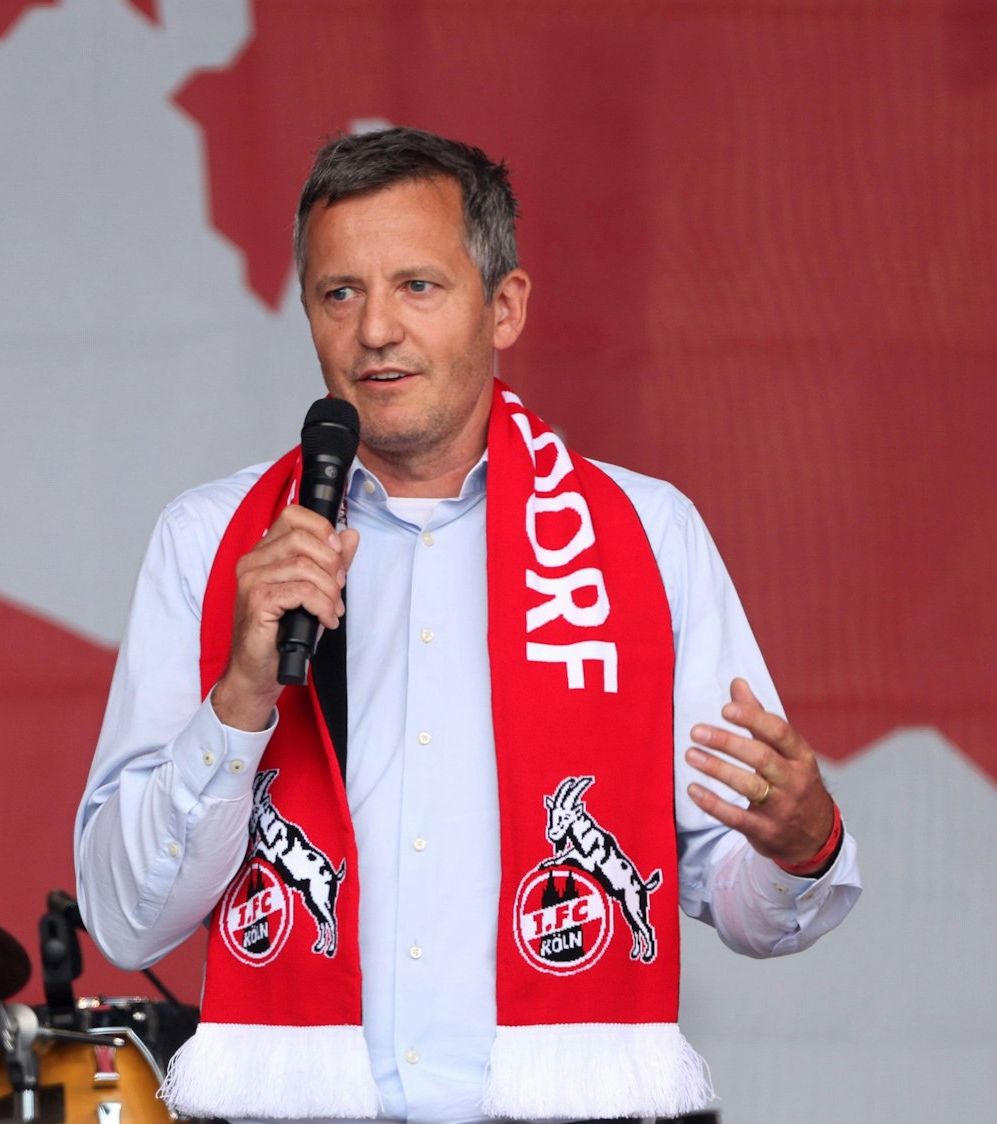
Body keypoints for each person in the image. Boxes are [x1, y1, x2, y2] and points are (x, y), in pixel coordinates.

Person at [74, 128, 861, 1124]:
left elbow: (744, 899)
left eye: (417, 286)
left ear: (504, 307)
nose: (374, 332)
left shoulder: (643, 536)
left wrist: (802, 845)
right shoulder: (213, 542)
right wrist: (238, 696)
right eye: (338, 292)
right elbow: (125, 917)